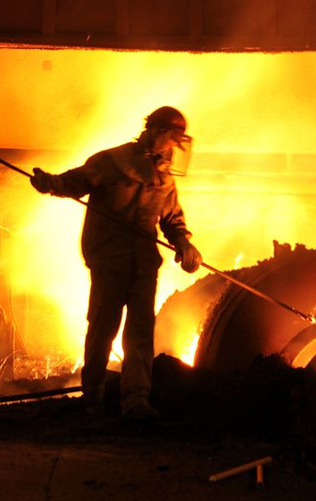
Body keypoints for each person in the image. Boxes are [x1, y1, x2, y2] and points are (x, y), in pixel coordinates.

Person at [30, 105, 203, 421]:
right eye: (173, 139)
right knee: (103, 330)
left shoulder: (163, 178)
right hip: (110, 264)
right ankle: (93, 397)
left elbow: (172, 219)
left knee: (139, 334)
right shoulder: (111, 162)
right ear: (160, 134)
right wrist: (50, 183)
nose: (174, 148)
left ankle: (135, 402)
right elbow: (75, 181)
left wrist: (183, 242)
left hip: (143, 267)